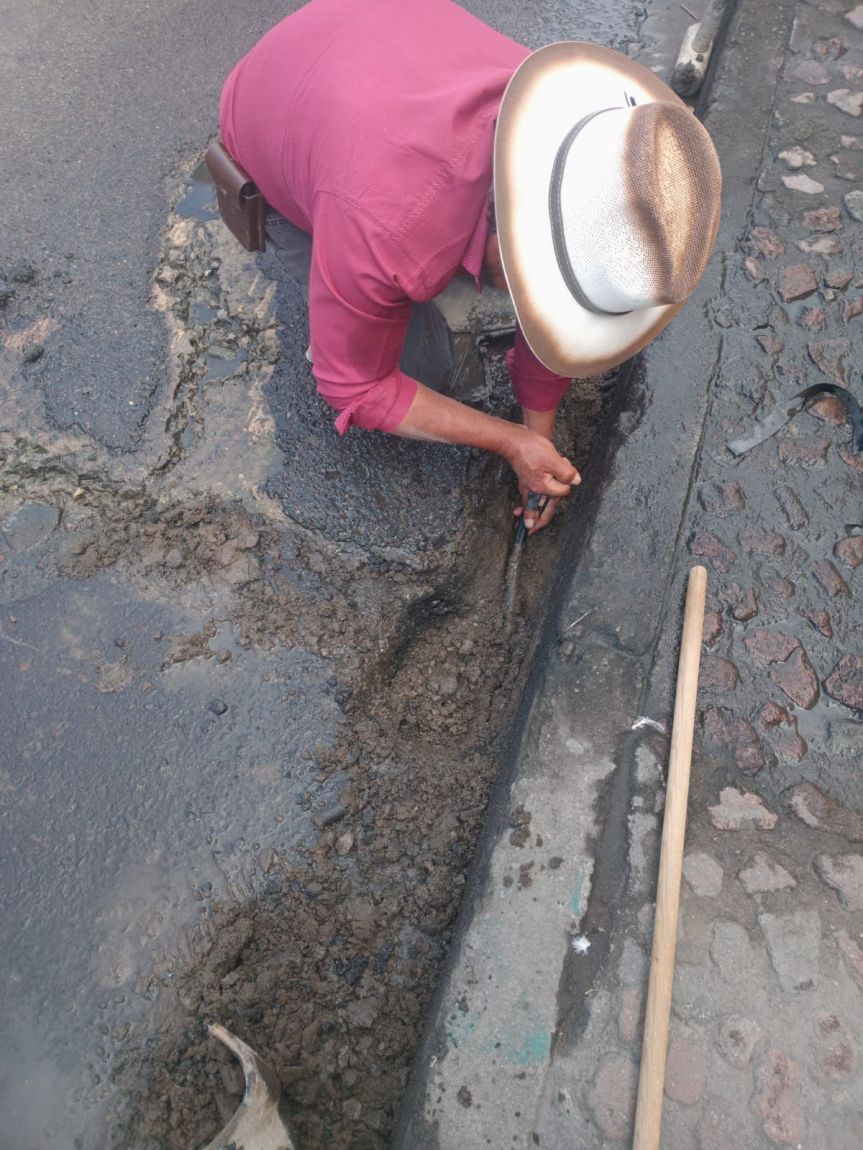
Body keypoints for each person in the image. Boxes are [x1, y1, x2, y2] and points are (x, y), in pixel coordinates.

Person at [219, 0, 721, 533]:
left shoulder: (562, 134)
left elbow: (558, 305)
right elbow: (355, 388)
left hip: (366, 39)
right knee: (424, 368)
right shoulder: (389, 227)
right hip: (265, 112)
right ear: (513, 246)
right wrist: (509, 441)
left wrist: (538, 439)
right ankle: (334, 304)